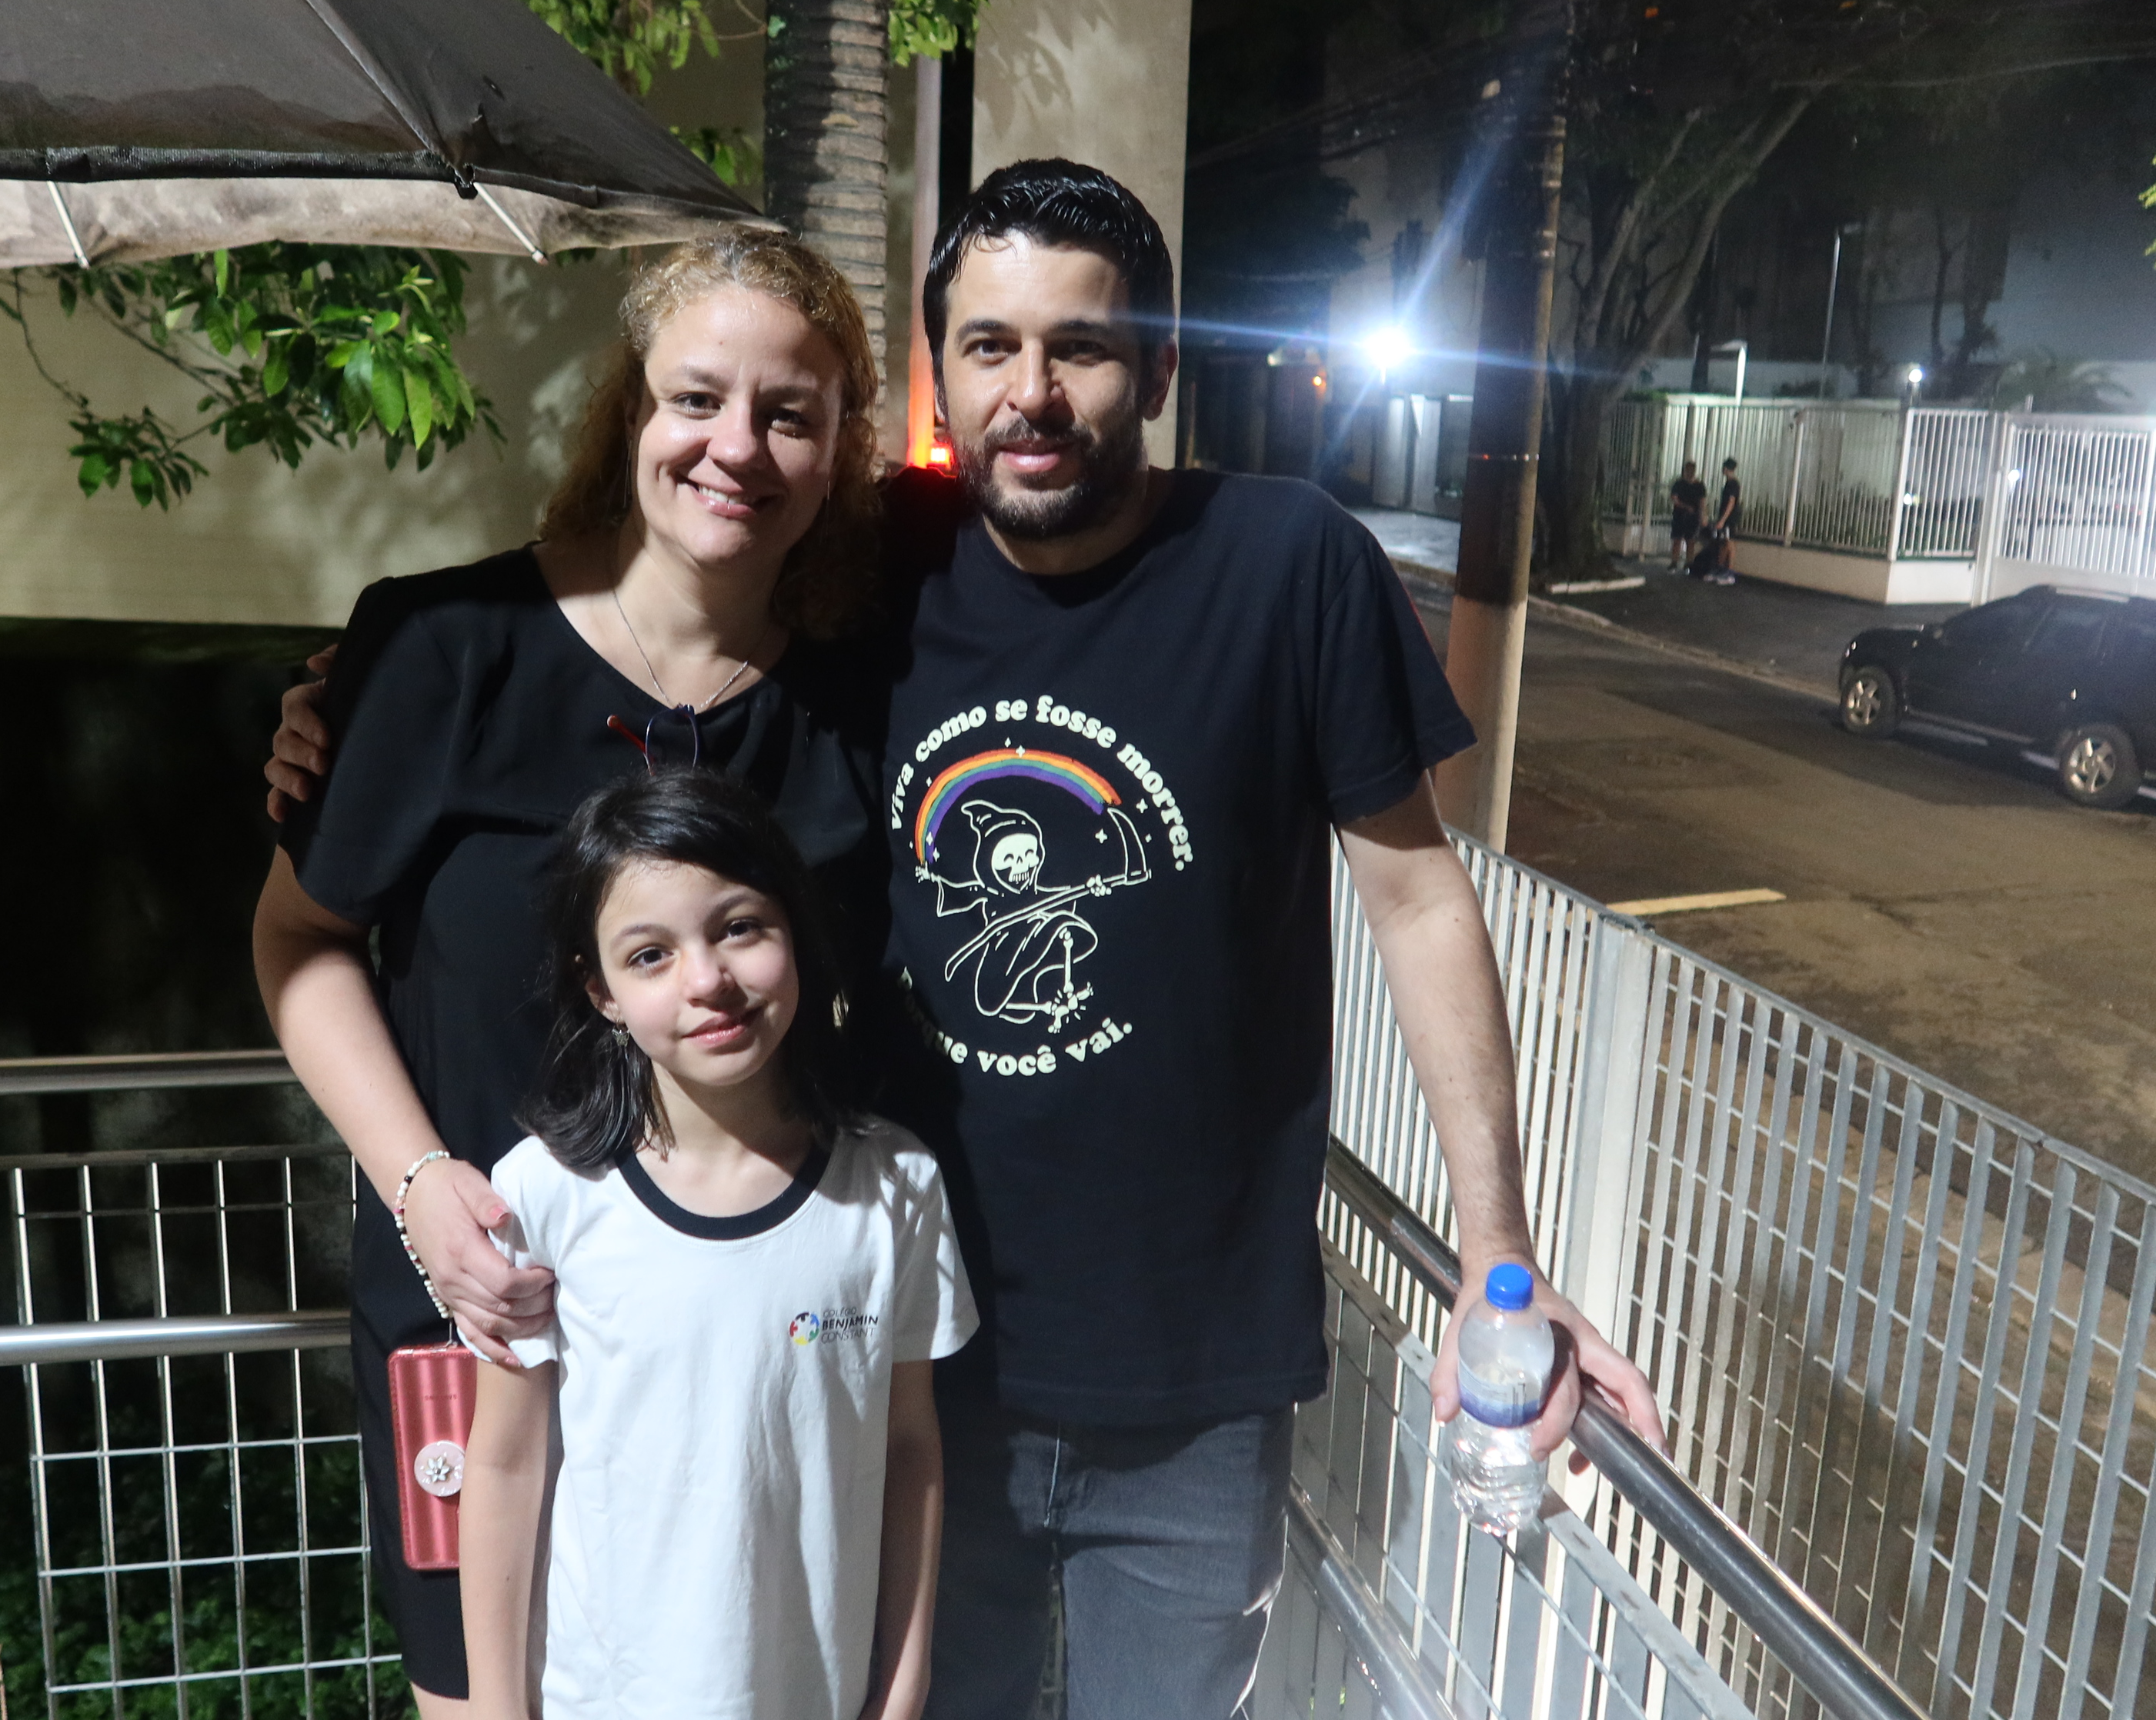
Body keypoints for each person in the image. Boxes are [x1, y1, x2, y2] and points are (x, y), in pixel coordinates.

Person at [271, 161, 1665, 1718]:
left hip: (1178, 1370)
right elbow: (570, 674)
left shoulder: (1269, 563)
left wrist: (1497, 1252)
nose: (1034, 392)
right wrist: (357, 692)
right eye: (990, 346)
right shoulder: (868, 578)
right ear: (941, 373)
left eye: (1083, 346)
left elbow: (1417, 898)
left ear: (1160, 367)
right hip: (877, 1349)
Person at [251, 228, 895, 1717]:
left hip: (741, 1361)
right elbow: (298, 939)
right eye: (696, 398)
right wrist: (422, 1188)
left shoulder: (862, 698)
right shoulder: (442, 648)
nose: (736, 446)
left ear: (838, 452)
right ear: (629, 413)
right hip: (477, 1313)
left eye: (789, 414)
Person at [459, 766, 973, 1720]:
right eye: (650, 954)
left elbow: (910, 1448)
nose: (707, 980)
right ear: (601, 989)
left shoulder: (896, 1184)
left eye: (739, 927)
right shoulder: (544, 1191)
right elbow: (506, 1461)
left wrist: (903, 1685)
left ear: (795, 929)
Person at [1707, 457, 1742, 584]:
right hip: (1726, 518)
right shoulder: (1729, 483)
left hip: (1729, 519)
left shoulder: (1733, 484)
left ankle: (1729, 572)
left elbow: (1731, 503)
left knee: (1729, 543)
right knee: (1723, 543)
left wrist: (1723, 520)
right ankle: (1720, 568)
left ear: (1726, 468)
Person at [1667, 458, 1706, 572]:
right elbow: (1674, 499)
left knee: (1690, 541)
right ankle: (1676, 563)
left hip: (1690, 516)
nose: (1690, 472)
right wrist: (1688, 508)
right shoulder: (1680, 484)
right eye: (1688, 470)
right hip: (1681, 516)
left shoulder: (1697, 486)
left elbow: (1702, 502)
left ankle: (1687, 564)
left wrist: (1702, 516)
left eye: (1691, 470)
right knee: (1679, 540)